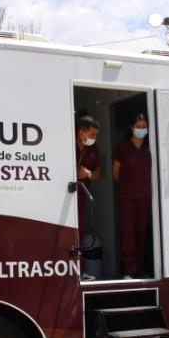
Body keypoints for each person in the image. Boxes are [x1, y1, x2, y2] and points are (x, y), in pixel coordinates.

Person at [113, 114, 152, 279]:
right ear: (131, 127)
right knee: (128, 233)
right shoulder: (123, 148)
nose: (142, 129)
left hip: (145, 196)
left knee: (141, 233)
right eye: (139, 126)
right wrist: (127, 186)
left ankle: (141, 268)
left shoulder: (150, 147)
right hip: (127, 197)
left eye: (144, 126)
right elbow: (116, 172)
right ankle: (129, 270)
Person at [75, 115, 102, 280]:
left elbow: (99, 174)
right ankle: (71, 270)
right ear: (81, 133)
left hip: (81, 195)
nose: (94, 138)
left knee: (80, 233)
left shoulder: (93, 149)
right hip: (64, 195)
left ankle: (80, 270)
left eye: (96, 135)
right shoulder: (66, 145)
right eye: (92, 135)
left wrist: (88, 173)